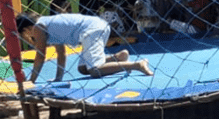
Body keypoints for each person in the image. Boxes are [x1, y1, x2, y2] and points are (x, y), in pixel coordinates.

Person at [14, 13, 153, 83]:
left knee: (95, 70)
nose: (27, 38)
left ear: (26, 29)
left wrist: (31, 80)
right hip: (96, 27)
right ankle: (118, 57)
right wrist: (58, 78)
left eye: (23, 35)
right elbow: (61, 53)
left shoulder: (38, 28)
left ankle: (136, 65)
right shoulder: (47, 23)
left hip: (92, 30)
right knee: (83, 68)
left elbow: (40, 56)